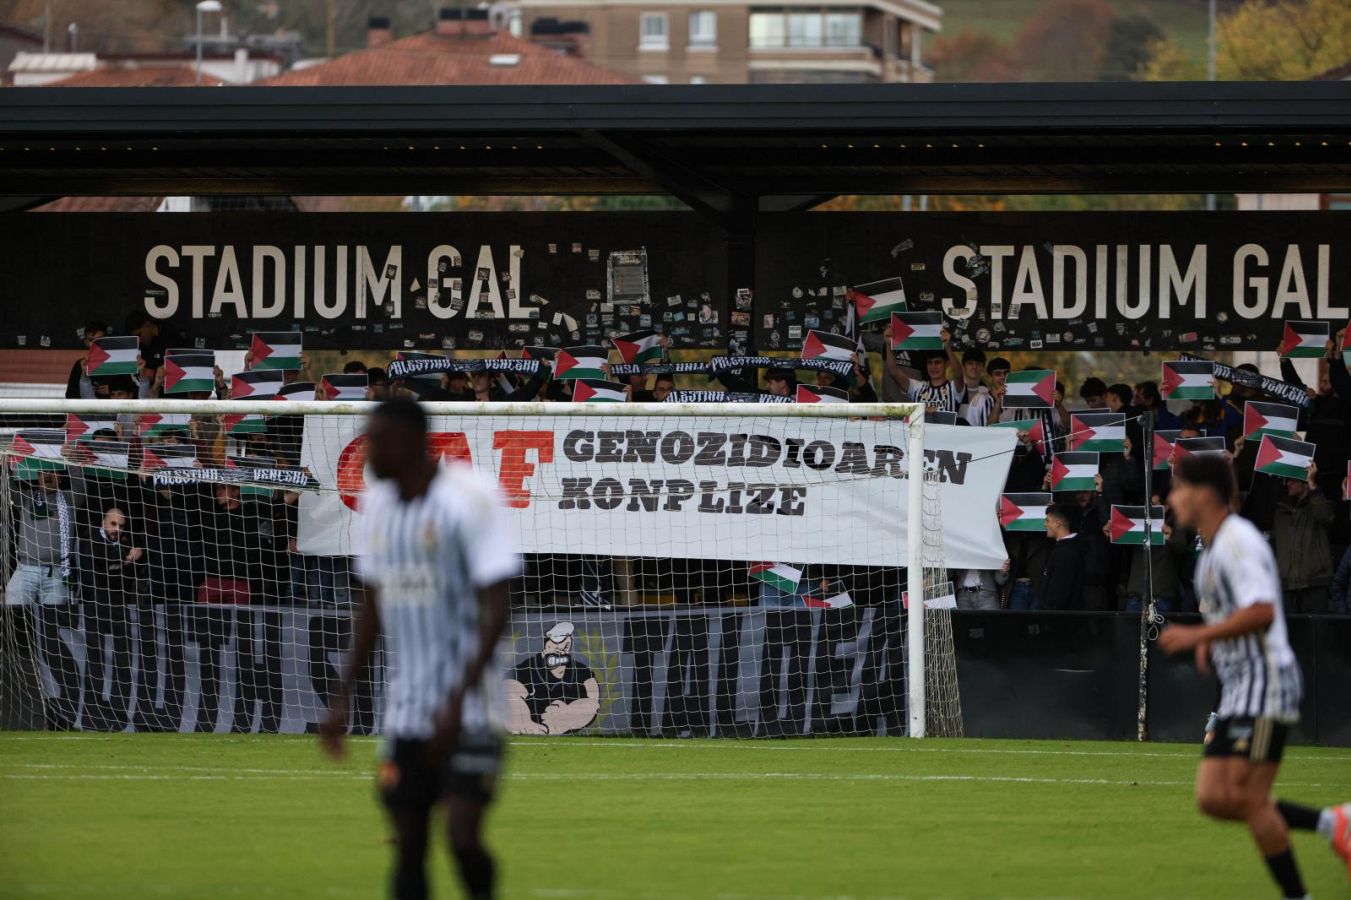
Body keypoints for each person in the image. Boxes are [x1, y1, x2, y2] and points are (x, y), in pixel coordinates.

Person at [320, 398, 520, 900]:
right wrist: (343, 696)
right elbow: (371, 606)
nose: (368, 451)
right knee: (408, 842)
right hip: (405, 713)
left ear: (409, 442)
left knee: (461, 837)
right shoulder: (378, 505)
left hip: (471, 710)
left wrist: (458, 696)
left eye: (377, 439)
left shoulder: (471, 497)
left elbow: (498, 606)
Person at [1158, 454, 1351, 896]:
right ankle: (1334, 823)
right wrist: (1211, 637)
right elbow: (1233, 611)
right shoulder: (1209, 553)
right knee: (1213, 798)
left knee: (1245, 798)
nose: (1172, 499)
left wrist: (1194, 637)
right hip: (1239, 690)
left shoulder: (1238, 542)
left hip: (1268, 685)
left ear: (1203, 494)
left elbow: (1263, 611)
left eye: (1178, 488)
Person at [5, 468, 80, 728]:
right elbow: (7, 481)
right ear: (35, 476)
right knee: (9, 614)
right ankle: (18, 663)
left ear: (61, 477)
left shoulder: (71, 497)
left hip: (58, 573)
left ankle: (56, 693)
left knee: (53, 631)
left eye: (52, 472)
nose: (46, 476)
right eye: (42, 472)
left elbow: (80, 478)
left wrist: (69, 448)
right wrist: (7, 462)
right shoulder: (25, 497)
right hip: (25, 569)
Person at [77, 507, 145, 731]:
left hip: (119, 607)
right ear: (104, 523)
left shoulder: (125, 543)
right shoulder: (90, 539)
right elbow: (94, 572)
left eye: (121, 526)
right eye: (113, 524)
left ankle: (120, 714)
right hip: (95, 607)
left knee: (122, 661)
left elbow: (127, 576)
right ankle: (91, 714)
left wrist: (126, 561)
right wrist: (124, 560)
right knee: (94, 660)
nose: (117, 529)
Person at [1269, 465, 1335, 614]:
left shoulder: (1319, 504)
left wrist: (1313, 485)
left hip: (1314, 583)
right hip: (1287, 585)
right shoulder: (1280, 510)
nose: (1288, 484)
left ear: (1303, 482)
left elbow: (1326, 517)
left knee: (1315, 635)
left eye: (1292, 480)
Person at [1039, 503, 1083, 610]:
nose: (1045, 524)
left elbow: (1059, 592)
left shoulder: (1065, 552)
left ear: (1058, 523)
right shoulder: (1068, 548)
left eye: (1047, 521)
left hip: (1061, 621)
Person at [65, 319, 108, 399]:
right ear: (86, 342)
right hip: (86, 409)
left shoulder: (117, 362)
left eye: (99, 340)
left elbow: (129, 391)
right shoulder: (80, 364)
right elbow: (70, 395)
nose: (96, 343)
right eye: (91, 340)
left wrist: (112, 390)